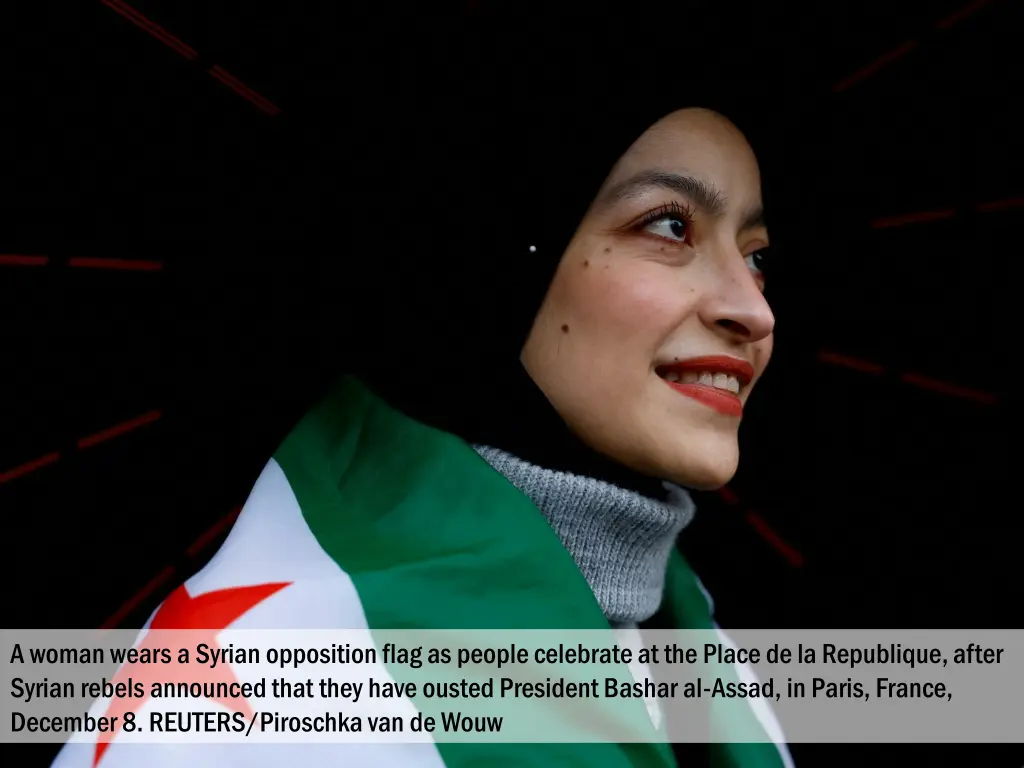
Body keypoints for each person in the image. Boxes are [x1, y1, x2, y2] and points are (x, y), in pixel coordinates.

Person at [53, 27, 793, 768]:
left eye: (756, 256)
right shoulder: (274, 700)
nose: (753, 312)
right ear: (499, 262)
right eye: (669, 227)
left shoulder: (696, 653)